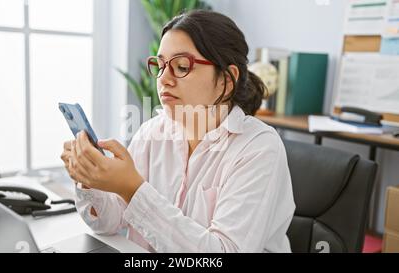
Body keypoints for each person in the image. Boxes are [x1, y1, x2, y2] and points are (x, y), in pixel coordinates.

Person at [61, 10, 295, 253]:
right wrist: (90, 180)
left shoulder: (259, 148)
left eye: (182, 67)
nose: (163, 79)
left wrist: (132, 188)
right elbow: (108, 223)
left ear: (226, 80)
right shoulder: (152, 132)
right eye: (160, 66)